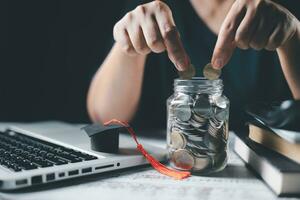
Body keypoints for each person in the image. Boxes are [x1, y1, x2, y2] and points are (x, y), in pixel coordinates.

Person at [87, 0, 300, 131]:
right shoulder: (150, 7)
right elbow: (104, 117)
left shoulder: (284, 10)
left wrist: (294, 38)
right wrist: (129, 48)